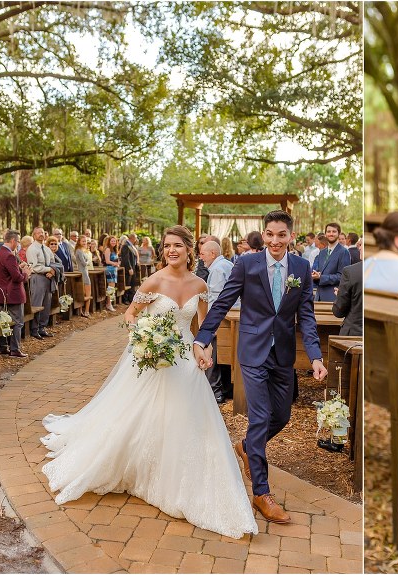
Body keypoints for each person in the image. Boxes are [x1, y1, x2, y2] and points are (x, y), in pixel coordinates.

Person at [40, 225, 258, 540]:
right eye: (167, 246)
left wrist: (206, 351)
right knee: (143, 413)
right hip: (153, 356)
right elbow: (130, 314)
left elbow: (203, 327)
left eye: (177, 246)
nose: (171, 251)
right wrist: (144, 335)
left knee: (186, 415)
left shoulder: (199, 285)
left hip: (183, 358)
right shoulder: (153, 281)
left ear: (188, 250)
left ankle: (183, 478)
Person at [193, 210, 329, 524]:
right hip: (252, 352)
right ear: (263, 234)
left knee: (281, 416)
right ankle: (261, 493)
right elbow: (223, 303)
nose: (275, 240)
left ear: (291, 236)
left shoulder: (301, 267)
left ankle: (246, 447)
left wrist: (316, 356)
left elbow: (306, 316)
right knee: (260, 418)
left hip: (282, 354)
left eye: (281, 235)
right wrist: (203, 338)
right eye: (270, 234)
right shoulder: (246, 265)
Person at [198, 240, 235, 404]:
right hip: (231, 315)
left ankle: (216, 391)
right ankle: (225, 389)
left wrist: (207, 320)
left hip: (223, 318)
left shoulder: (218, 270)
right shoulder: (226, 264)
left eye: (203, 254)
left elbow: (216, 299)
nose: (201, 257)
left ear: (212, 253)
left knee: (214, 352)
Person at [0, 230, 32, 357]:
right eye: (18, 241)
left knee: (4, 321)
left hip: (2, 293)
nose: (18, 244)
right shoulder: (9, 255)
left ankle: (3, 346)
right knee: (17, 322)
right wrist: (26, 273)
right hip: (12, 294)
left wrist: (19, 268)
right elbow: (16, 277)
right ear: (12, 241)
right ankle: (15, 349)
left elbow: (8, 272)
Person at [26, 227, 57, 339]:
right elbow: (34, 267)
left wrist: (53, 271)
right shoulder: (32, 249)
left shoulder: (47, 249)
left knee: (47, 303)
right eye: (38, 233)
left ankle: (42, 327)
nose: (41, 234)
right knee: (37, 303)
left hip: (48, 278)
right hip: (37, 277)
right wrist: (48, 269)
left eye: (42, 233)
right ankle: (34, 329)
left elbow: (53, 262)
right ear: (34, 235)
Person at [311, 222, 351, 301]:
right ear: (325, 234)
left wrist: (321, 277)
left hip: (333, 297)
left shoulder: (344, 252)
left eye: (334, 231)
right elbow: (319, 273)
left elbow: (342, 277)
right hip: (318, 296)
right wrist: (315, 276)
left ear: (339, 234)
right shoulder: (322, 252)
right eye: (328, 231)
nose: (331, 234)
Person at [332, 261, 362, 336]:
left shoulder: (351, 271)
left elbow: (338, 312)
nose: (359, 248)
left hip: (353, 333)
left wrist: (340, 296)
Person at [73, 235, 92, 318]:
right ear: (79, 242)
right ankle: (84, 311)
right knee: (85, 294)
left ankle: (85, 311)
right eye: (83, 241)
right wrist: (89, 261)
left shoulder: (84, 250)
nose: (85, 243)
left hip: (85, 272)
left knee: (86, 293)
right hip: (83, 273)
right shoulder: (79, 251)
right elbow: (84, 263)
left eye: (85, 241)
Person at [102, 236, 120, 312]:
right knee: (110, 288)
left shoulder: (115, 250)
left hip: (114, 269)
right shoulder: (108, 249)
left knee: (112, 287)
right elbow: (107, 261)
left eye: (114, 241)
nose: (113, 242)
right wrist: (115, 263)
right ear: (109, 241)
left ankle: (110, 303)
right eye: (112, 241)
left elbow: (116, 259)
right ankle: (108, 304)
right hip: (110, 269)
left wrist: (118, 263)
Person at [120, 233, 139, 304]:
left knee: (132, 283)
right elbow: (126, 258)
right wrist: (129, 268)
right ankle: (125, 299)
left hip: (133, 267)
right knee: (127, 283)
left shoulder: (131, 246)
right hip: (128, 268)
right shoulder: (126, 246)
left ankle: (131, 299)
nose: (136, 240)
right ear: (133, 238)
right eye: (136, 238)